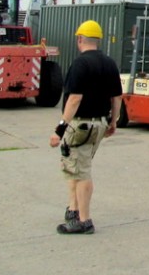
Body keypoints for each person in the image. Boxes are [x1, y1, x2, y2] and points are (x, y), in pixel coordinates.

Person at [49, 20, 122, 235]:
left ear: (79, 39)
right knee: (76, 166)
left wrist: (59, 130)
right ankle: (73, 209)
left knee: (81, 173)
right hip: (99, 124)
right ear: (97, 40)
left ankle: (84, 220)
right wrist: (113, 121)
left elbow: (74, 99)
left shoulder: (80, 64)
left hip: (81, 125)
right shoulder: (110, 63)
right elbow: (117, 97)